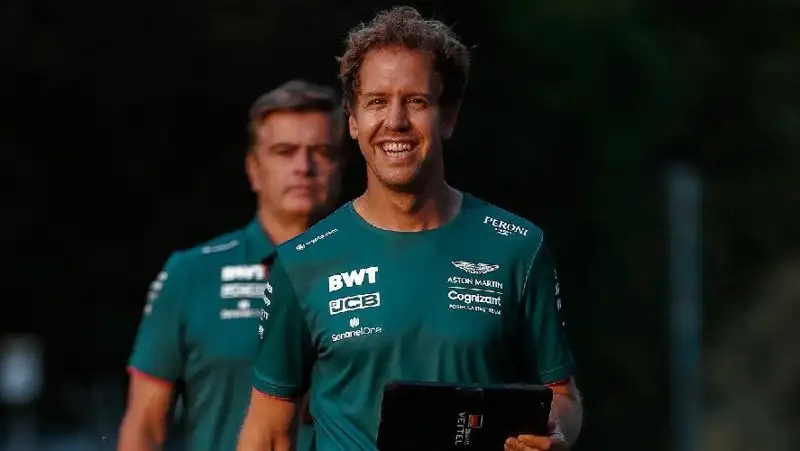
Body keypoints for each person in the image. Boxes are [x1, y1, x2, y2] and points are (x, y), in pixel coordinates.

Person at [237, 6, 583, 451]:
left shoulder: (518, 247)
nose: (395, 121)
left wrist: (554, 431)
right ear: (353, 119)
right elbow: (268, 431)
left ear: (449, 116)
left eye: (416, 101)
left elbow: (563, 396)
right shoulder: (302, 262)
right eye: (377, 102)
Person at [117, 79, 345, 451]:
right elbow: (144, 424)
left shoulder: (378, 266)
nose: (304, 167)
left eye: (321, 152)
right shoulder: (190, 274)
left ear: (340, 166)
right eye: (285, 152)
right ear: (254, 169)